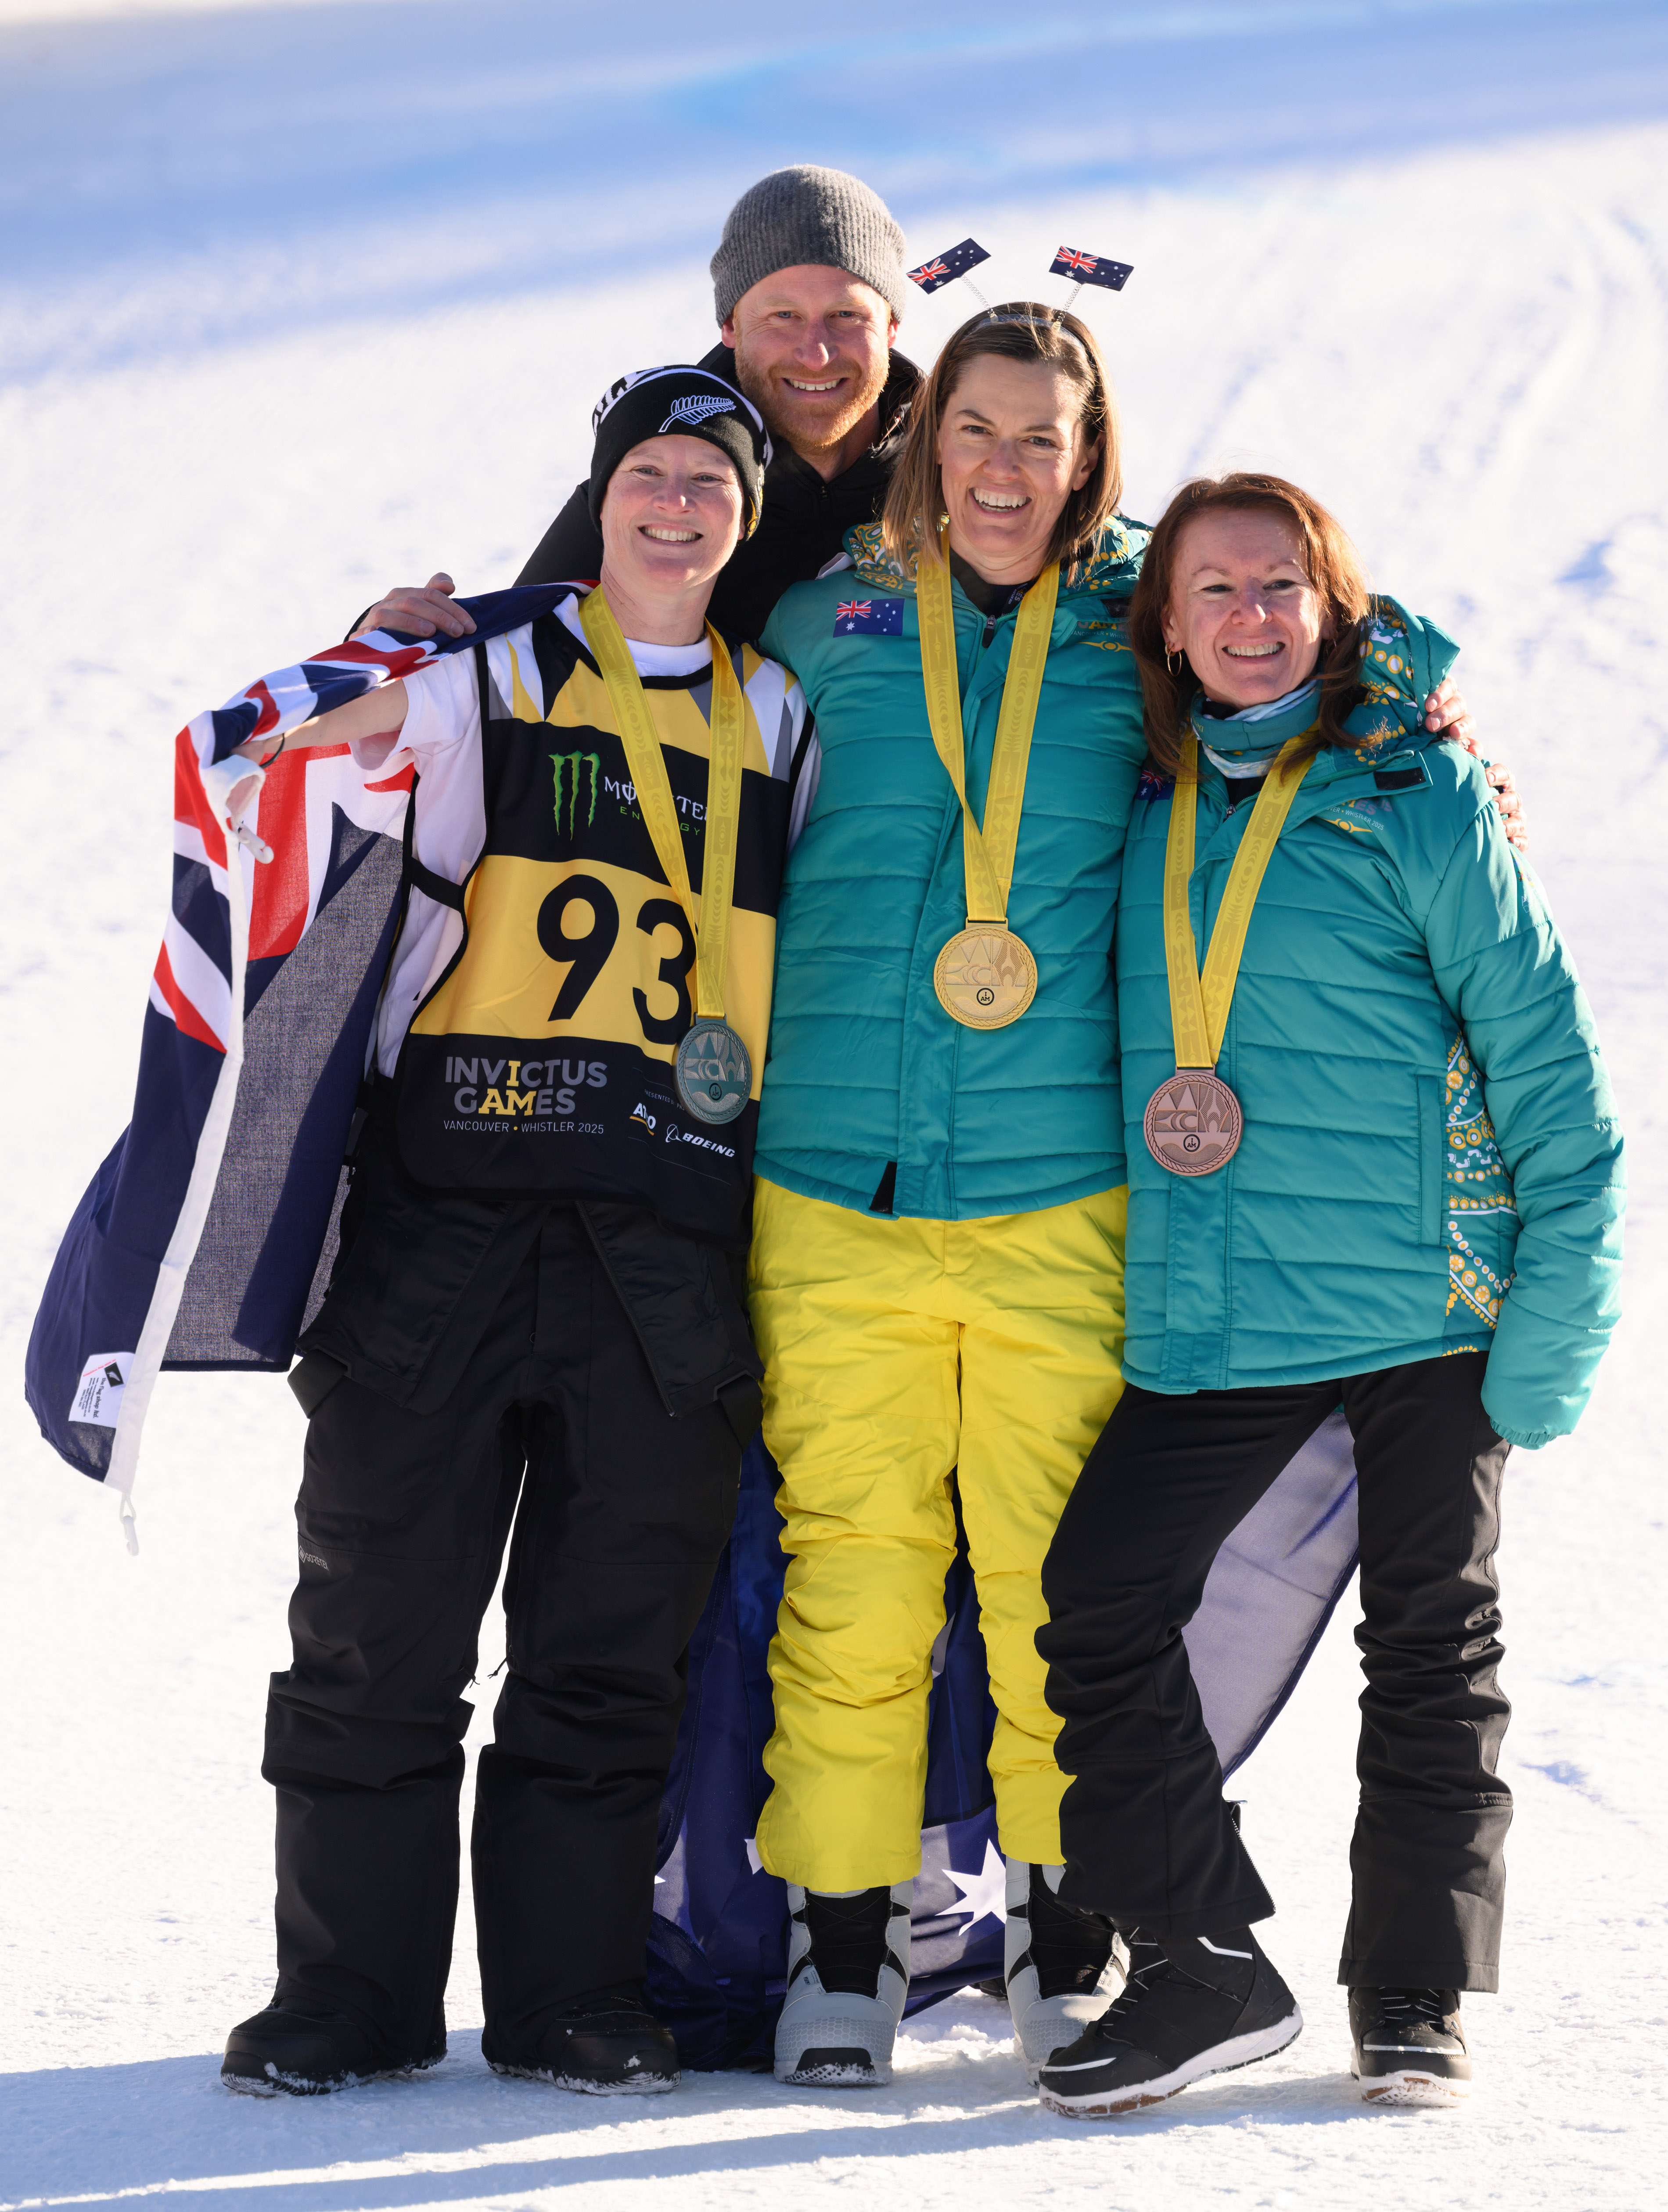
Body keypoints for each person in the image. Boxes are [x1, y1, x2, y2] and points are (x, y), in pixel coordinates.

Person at [214, 365, 815, 2097]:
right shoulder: (491, 670)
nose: (678, 501)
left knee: (607, 1654)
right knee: (375, 1630)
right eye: (648, 471)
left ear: (745, 516)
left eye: (711, 478)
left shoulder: (781, 716)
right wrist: (363, 652)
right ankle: (346, 1991)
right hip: (447, 1221)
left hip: (665, 1243)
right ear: (603, 493)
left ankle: (568, 1993)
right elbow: (311, 754)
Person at [1032, 473, 1623, 2118]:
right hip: (1213, 1312)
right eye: (1211, 588)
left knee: (1433, 1646)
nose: (1246, 616)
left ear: (1333, 606)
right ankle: (1200, 1956)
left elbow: (1550, 1068)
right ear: (1164, 618)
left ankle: (1412, 1986)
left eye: (1280, 586)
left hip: (1428, 1309)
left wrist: (1552, 1328)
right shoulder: (1143, 790)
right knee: (1094, 1598)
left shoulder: (1418, 788)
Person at [361, 165, 920, 654]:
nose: (815, 352)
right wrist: (384, 641)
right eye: (782, 316)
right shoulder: (661, 477)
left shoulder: (950, 462)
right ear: (728, 324)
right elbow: (504, 670)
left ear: (892, 324)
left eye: (846, 315)